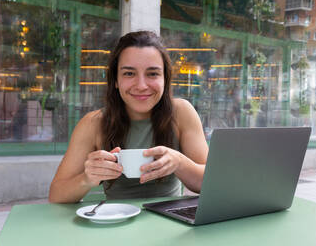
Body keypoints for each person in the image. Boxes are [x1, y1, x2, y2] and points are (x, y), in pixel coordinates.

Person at [48, 31, 208, 203]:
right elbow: (56, 195)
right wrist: (87, 179)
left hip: (171, 221)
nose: (141, 86)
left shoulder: (182, 112)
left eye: (152, 74)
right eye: (129, 74)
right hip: (114, 221)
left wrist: (179, 163)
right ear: (115, 80)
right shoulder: (92, 123)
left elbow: (210, 183)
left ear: (165, 79)